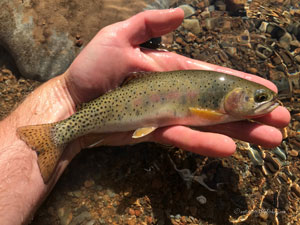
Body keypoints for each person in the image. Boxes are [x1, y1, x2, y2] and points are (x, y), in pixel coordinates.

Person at [0, 8, 290, 224]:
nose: (263, 102)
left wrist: (66, 96)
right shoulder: (216, 110)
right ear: (234, 98)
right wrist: (69, 94)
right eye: (259, 99)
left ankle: (59, 134)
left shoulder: (223, 102)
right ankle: (58, 134)